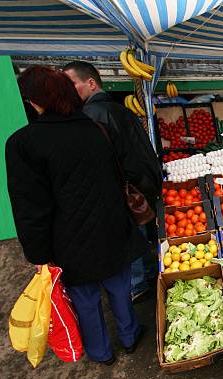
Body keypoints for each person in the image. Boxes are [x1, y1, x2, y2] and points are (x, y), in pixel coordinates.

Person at [6, 66, 147, 365]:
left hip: (69, 237)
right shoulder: (95, 129)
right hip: (111, 226)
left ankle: (100, 352)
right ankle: (130, 335)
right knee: (120, 288)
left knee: (84, 300)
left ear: (36, 101)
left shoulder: (23, 143)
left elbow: (30, 205)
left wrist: (38, 252)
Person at [63, 61, 161, 302]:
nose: (68, 90)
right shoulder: (118, 108)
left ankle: (138, 285)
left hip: (126, 186)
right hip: (142, 181)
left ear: (91, 83)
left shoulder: (93, 115)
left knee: (130, 235)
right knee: (141, 231)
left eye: (71, 84)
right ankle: (150, 276)